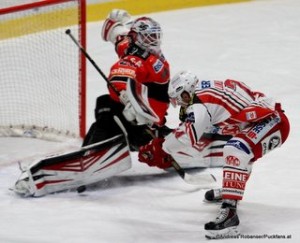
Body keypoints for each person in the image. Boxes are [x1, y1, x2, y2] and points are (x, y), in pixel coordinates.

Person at [138, 71, 290, 239]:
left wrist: (162, 148)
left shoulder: (199, 102)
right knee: (239, 148)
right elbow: (196, 133)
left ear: (187, 90)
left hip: (273, 122)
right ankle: (230, 191)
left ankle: (230, 215)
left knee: (236, 149)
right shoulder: (205, 93)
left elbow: (189, 135)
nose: (180, 103)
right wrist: (166, 142)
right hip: (266, 120)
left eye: (180, 98)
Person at [83, 9, 171, 151]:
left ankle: (90, 154)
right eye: (148, 37)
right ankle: (102, 149)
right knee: (106, 103)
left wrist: (128, 97)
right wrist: (118, 22)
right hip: (143, 116)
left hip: (146, 125)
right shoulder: (130, 46)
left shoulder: (149, 62)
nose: (153, 41)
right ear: (135, 38)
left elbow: (120, 76)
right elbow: (117, 35)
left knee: (106, 107)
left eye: (155, 36)